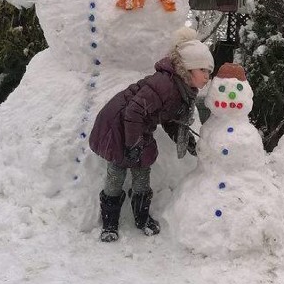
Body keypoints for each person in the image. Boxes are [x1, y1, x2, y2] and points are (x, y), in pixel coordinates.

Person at [89, 28, 214, 242]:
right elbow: (134, 110)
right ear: (189, 68)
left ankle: (142, 218)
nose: (207, 77)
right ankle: (110, 224)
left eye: (209, 72)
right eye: (203, 70)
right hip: (118, 124)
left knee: (141, 170)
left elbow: (169, 119)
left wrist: (188, 142)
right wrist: (133, 143)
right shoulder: (164, 84)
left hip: (138, 128)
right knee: (117, 171)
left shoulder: (180, 89)